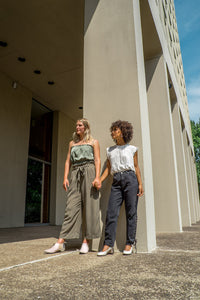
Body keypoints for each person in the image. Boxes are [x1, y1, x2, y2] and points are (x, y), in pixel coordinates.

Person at [45, 118, 101, 254]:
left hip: (89, 171)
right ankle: (60, 242)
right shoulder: (72, 143)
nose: (77, 127)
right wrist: (65, 177)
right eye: (76, 125)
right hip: (75, 173)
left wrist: (97, 177)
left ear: (86, 127)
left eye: (80, 125)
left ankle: (85, 241)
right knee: (71, 208)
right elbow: (67, 161)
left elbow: (97, 160)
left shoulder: (94, 142)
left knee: (90, 207)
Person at [97, 120, 144, 256]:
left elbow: (136, 167)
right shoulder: (110, 150)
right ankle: (108, 245)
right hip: (116, 181)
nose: (113, 132)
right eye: (112, 130)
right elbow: (108, 169)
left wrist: (140, 184)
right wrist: (99, 180)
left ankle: (129, 243)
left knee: (131, 213)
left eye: (115, 130)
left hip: (131, 180)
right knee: (111, 213)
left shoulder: (132, 149)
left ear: (123, 132)